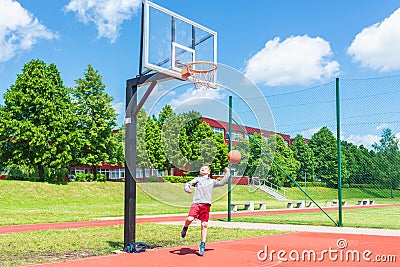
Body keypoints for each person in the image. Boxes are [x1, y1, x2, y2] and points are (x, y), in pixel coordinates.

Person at [181, 164, 230, 256]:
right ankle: (185, 227)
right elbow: (188, 184)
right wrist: (187, 189)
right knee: (190, 219)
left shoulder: (211, 181)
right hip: (196, 203)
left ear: (209, 171)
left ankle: (202, 244)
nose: (202, 169)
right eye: (201, 168)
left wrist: (227, 173)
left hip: (206, 205)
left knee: (204, 224)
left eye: (205, 168)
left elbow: (221, 183)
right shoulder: (197, 179)